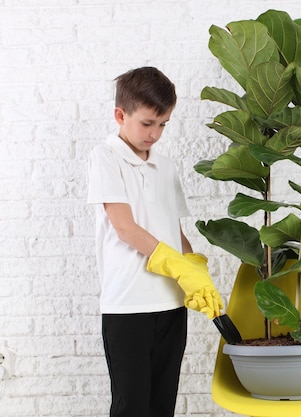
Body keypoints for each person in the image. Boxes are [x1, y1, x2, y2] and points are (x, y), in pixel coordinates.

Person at [87, 66, 223, 417]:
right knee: (131, 406)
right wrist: (176, 265)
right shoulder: (105, 158)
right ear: (121, 114)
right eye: (147, 123)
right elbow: (124, 227)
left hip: (171, 304)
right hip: (127, 305)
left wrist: (195, 271)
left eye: (163, 124)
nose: (155, 133)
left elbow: (174, 232)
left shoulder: (166, 167)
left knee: (162, 405)